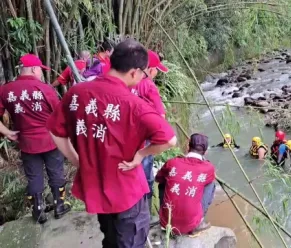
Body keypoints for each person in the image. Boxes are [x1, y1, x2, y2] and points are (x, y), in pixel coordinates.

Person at [47, 39, 177, 248]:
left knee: (110, 239)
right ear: (135, 72)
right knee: (131, 241)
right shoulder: (135, 105)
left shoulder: (77, 93)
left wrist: (78, 160)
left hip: (96, 187)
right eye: (144, 73)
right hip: (127, 190)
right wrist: (141, 155)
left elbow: (55, 131)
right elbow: (170, 139)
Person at [0, 54, 71, 224]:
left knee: (34, 177)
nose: (41, 73)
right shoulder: (44, 89)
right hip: (50, 140)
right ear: (33, 69)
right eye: (40, 69)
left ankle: (38, 211)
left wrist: (7, 132)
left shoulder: (5, 90)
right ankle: (59, 205)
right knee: (56, 172)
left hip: (26, 143)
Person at [129, 50, 168, 226]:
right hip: (145, 138)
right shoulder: (148, 86)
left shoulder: (126, 81)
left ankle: (134, 210)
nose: (157, 73)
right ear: (150, 70)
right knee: (146, 176)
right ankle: (144, 215)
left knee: (132, 173)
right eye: (156, 70)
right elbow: (160, 117)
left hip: (127, 136)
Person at [156, 133, 215, 236]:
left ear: (188, 146)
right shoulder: (208, 168)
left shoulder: (172, 162)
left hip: (167, 222)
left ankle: (165, 214)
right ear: (205, 152)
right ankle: (198, 222)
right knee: (211, 183)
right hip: (190, 225)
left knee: (163, 181)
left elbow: (158, 178)